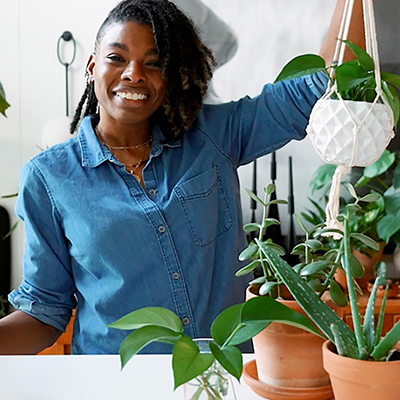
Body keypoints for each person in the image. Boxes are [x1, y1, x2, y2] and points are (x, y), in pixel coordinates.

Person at [0, 0, 366, 354]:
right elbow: (44, 312)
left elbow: (321, 88)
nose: (134, 73)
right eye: (116, 58)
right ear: (92, 66)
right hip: (115, 382)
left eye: (155, 63)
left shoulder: (212, 137)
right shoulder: (49, 178)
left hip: (224, 377)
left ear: (170, 77)